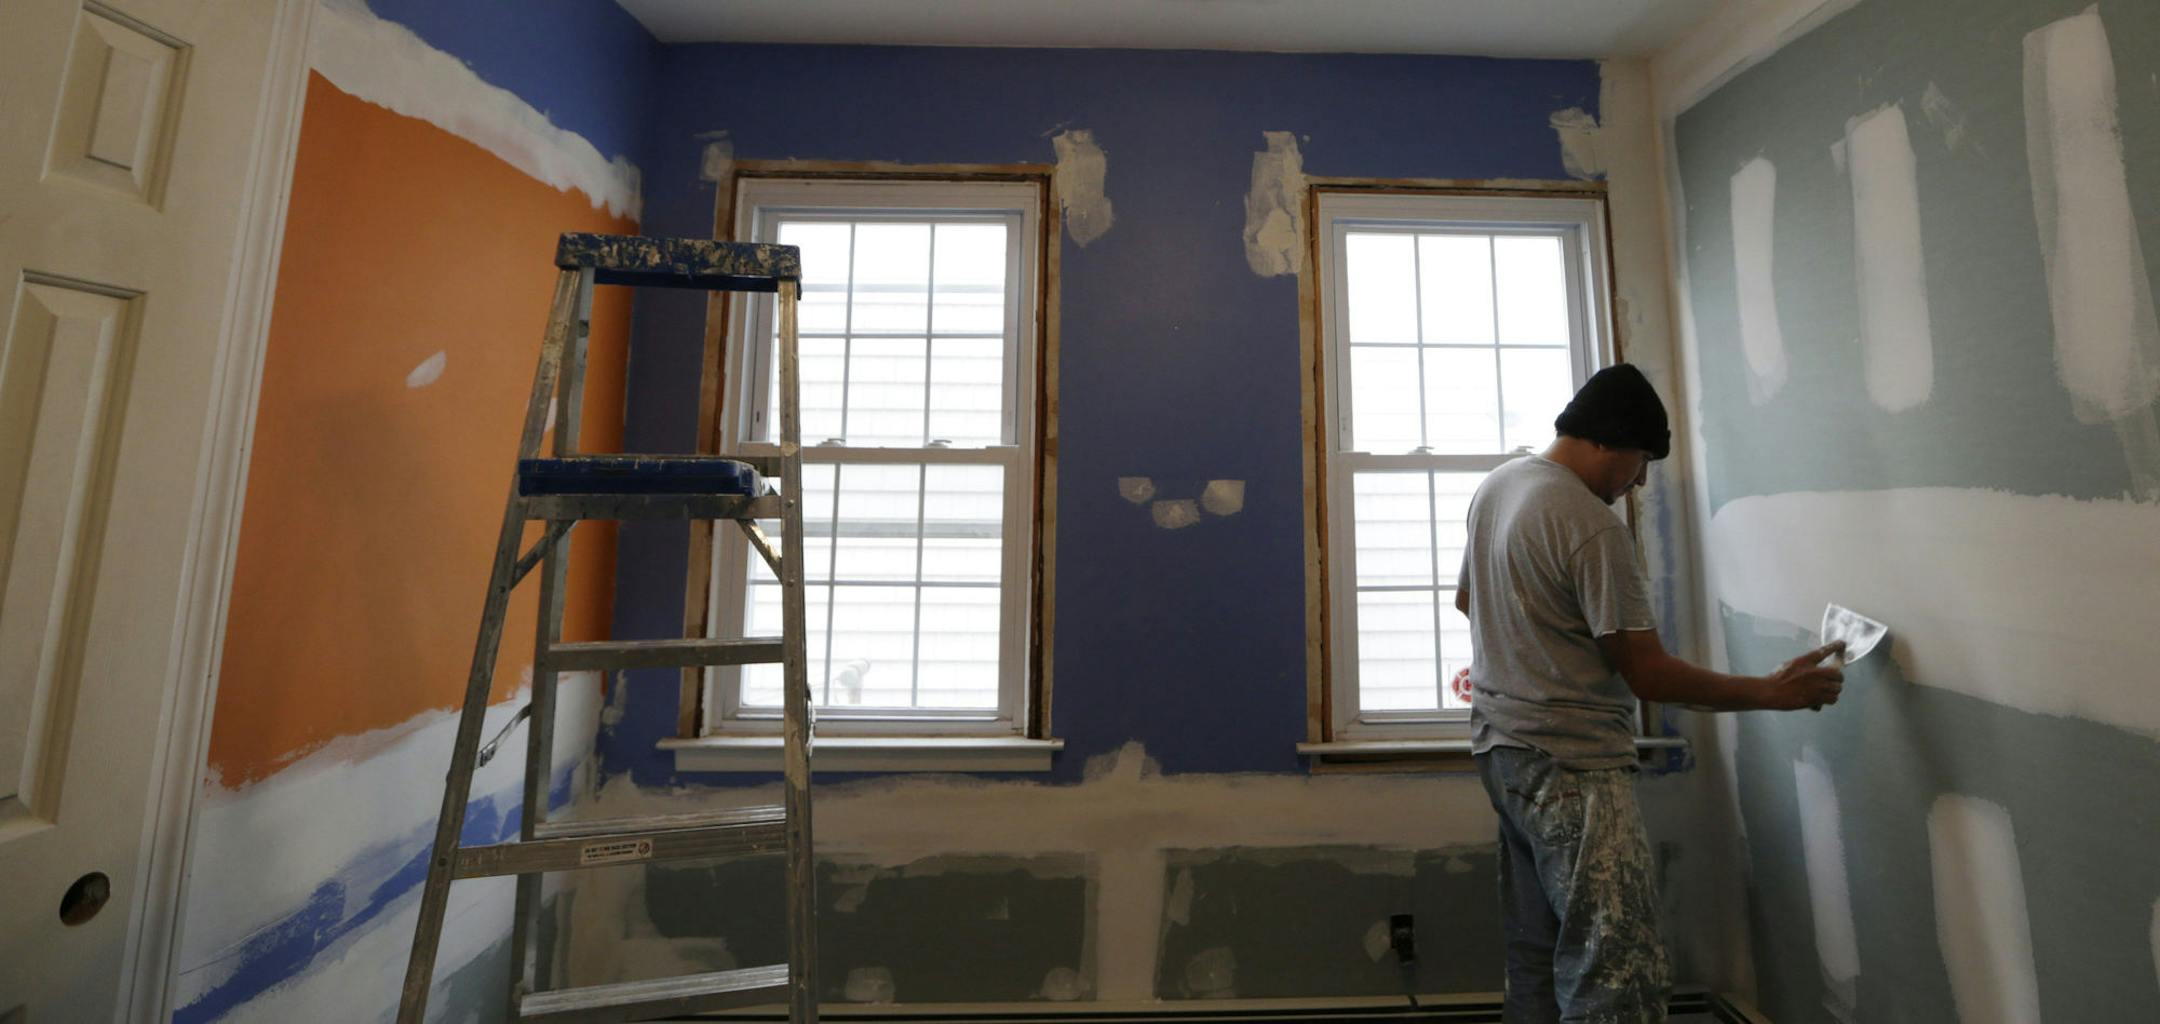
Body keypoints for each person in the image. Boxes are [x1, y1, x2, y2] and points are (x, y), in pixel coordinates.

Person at [1453, 363, 1844, 1023]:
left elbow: (1470, 601)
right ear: (1607, 441)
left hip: (1503, 751)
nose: (1638, 482)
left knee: (1538, 955)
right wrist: (1773, 692)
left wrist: (1538, 652)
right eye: (1640, 462)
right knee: (1616, 973)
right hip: (1572, 766)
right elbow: (1649, 674)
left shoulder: (1501, 485)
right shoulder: (1590, 525)